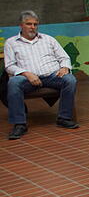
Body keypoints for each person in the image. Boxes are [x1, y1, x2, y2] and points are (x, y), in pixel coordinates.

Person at [4, 10, 79, 140]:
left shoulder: (48, 39)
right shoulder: (11, 43)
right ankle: (20, 124)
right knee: (13, 83)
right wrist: (26, 74)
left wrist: (65, 67)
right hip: (26, 79)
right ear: (21, 25)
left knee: (70, 80)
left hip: (51, 76)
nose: (32, 27)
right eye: (29, 24)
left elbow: (64, 57)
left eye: (35, 24)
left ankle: (64, 118)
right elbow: (9, 66)